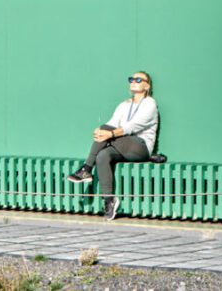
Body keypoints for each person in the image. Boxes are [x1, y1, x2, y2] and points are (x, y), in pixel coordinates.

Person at [67, 71, 157, 219]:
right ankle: (109, 201)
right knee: (103, 155)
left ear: (147, 85)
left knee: (106, 130)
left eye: (139, 79)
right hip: (121, 145)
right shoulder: (124, 105)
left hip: (140, 147)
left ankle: (87, 168)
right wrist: (100, 131)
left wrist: (109, 133)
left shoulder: (150, 104)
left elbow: (134, 126)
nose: (134, 81)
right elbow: (112, 123)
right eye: (131, 79)